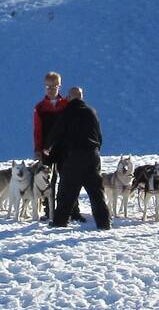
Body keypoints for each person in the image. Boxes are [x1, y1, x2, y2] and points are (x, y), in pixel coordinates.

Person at [43, 86, 112, 230]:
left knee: (66, 191)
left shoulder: (67, 112)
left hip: (74, 156)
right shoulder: (92, 112)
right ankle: (104, 223)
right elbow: (99, 136)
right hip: (92, 155)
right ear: (81, 97)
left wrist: (47, 146)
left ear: (69, 98)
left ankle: (60, 221)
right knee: (96, 192)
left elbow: (57, 132)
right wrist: (95, 150)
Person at [33, 72, 84, 222]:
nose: (51, 89)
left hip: (65, 148)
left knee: (68, 179)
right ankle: (49, 211)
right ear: (44, 87)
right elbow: (37, 130)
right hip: (47, 149)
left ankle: (73, 210)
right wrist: (38, 149)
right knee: (48, 179)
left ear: (59, 86)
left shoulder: (66, 104)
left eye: (54, 86)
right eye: (48, 86)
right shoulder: (40, 107)